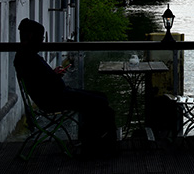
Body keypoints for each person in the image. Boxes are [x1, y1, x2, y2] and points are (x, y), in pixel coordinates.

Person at [14, 18, 118, 157]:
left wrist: (53, 74)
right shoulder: (31, 58)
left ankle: (94, 142)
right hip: (55, 99)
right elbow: (47, 82)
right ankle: (97, 145)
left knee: (100, 99)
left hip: (53, 96)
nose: (42, 41)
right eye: (41, 37)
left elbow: (40, 81)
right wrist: (55, 76)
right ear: (32, 37)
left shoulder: (24, 56)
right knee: (100, 101)